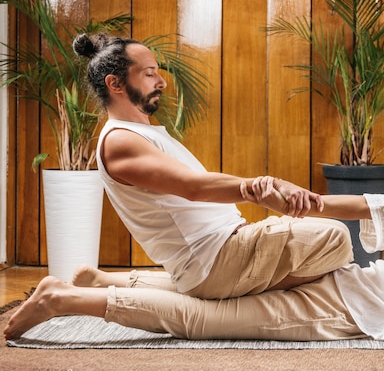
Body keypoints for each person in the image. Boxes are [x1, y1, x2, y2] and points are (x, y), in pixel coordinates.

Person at [5, 136, 384, 341]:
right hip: (358, 308)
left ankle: (103, 280)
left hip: (361, 292)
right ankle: (64, 299)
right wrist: (315, 203)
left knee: (221, 301)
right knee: (213, 321)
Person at [66, 33, 353, 301]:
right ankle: (226, 305)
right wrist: (266, 184)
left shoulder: (140, 134)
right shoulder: (120, 141)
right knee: (335, 238)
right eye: (149, 74)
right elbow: (194, 187)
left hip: (221, 251)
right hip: (214, 263)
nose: (162, 82)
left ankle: (102, 281)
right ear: (115, 84)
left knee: (327, 247)